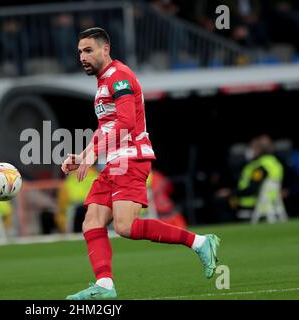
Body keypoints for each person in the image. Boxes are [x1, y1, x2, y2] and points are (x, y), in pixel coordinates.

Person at [61, 27, 220, 300]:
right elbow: (105, 127)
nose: (82, 57)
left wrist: (94, 153)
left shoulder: (119, 77)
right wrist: (84, 153)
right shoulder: (102, 84)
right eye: (79, 52)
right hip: (114, 162)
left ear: (105, 49)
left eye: (88, 50)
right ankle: (105, 286)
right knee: (92, 222)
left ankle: (200, 242)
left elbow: (126, 123)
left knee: (124, 227)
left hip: (132, 158)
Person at [215, 135, 284, 220]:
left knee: (220, 200)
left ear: (258, 149)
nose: (250, 150)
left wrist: (230, 192)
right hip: (267, 200)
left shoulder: (261, 166)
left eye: (252, 147)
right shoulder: (272, 161)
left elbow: (252, 189)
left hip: (251, 201)